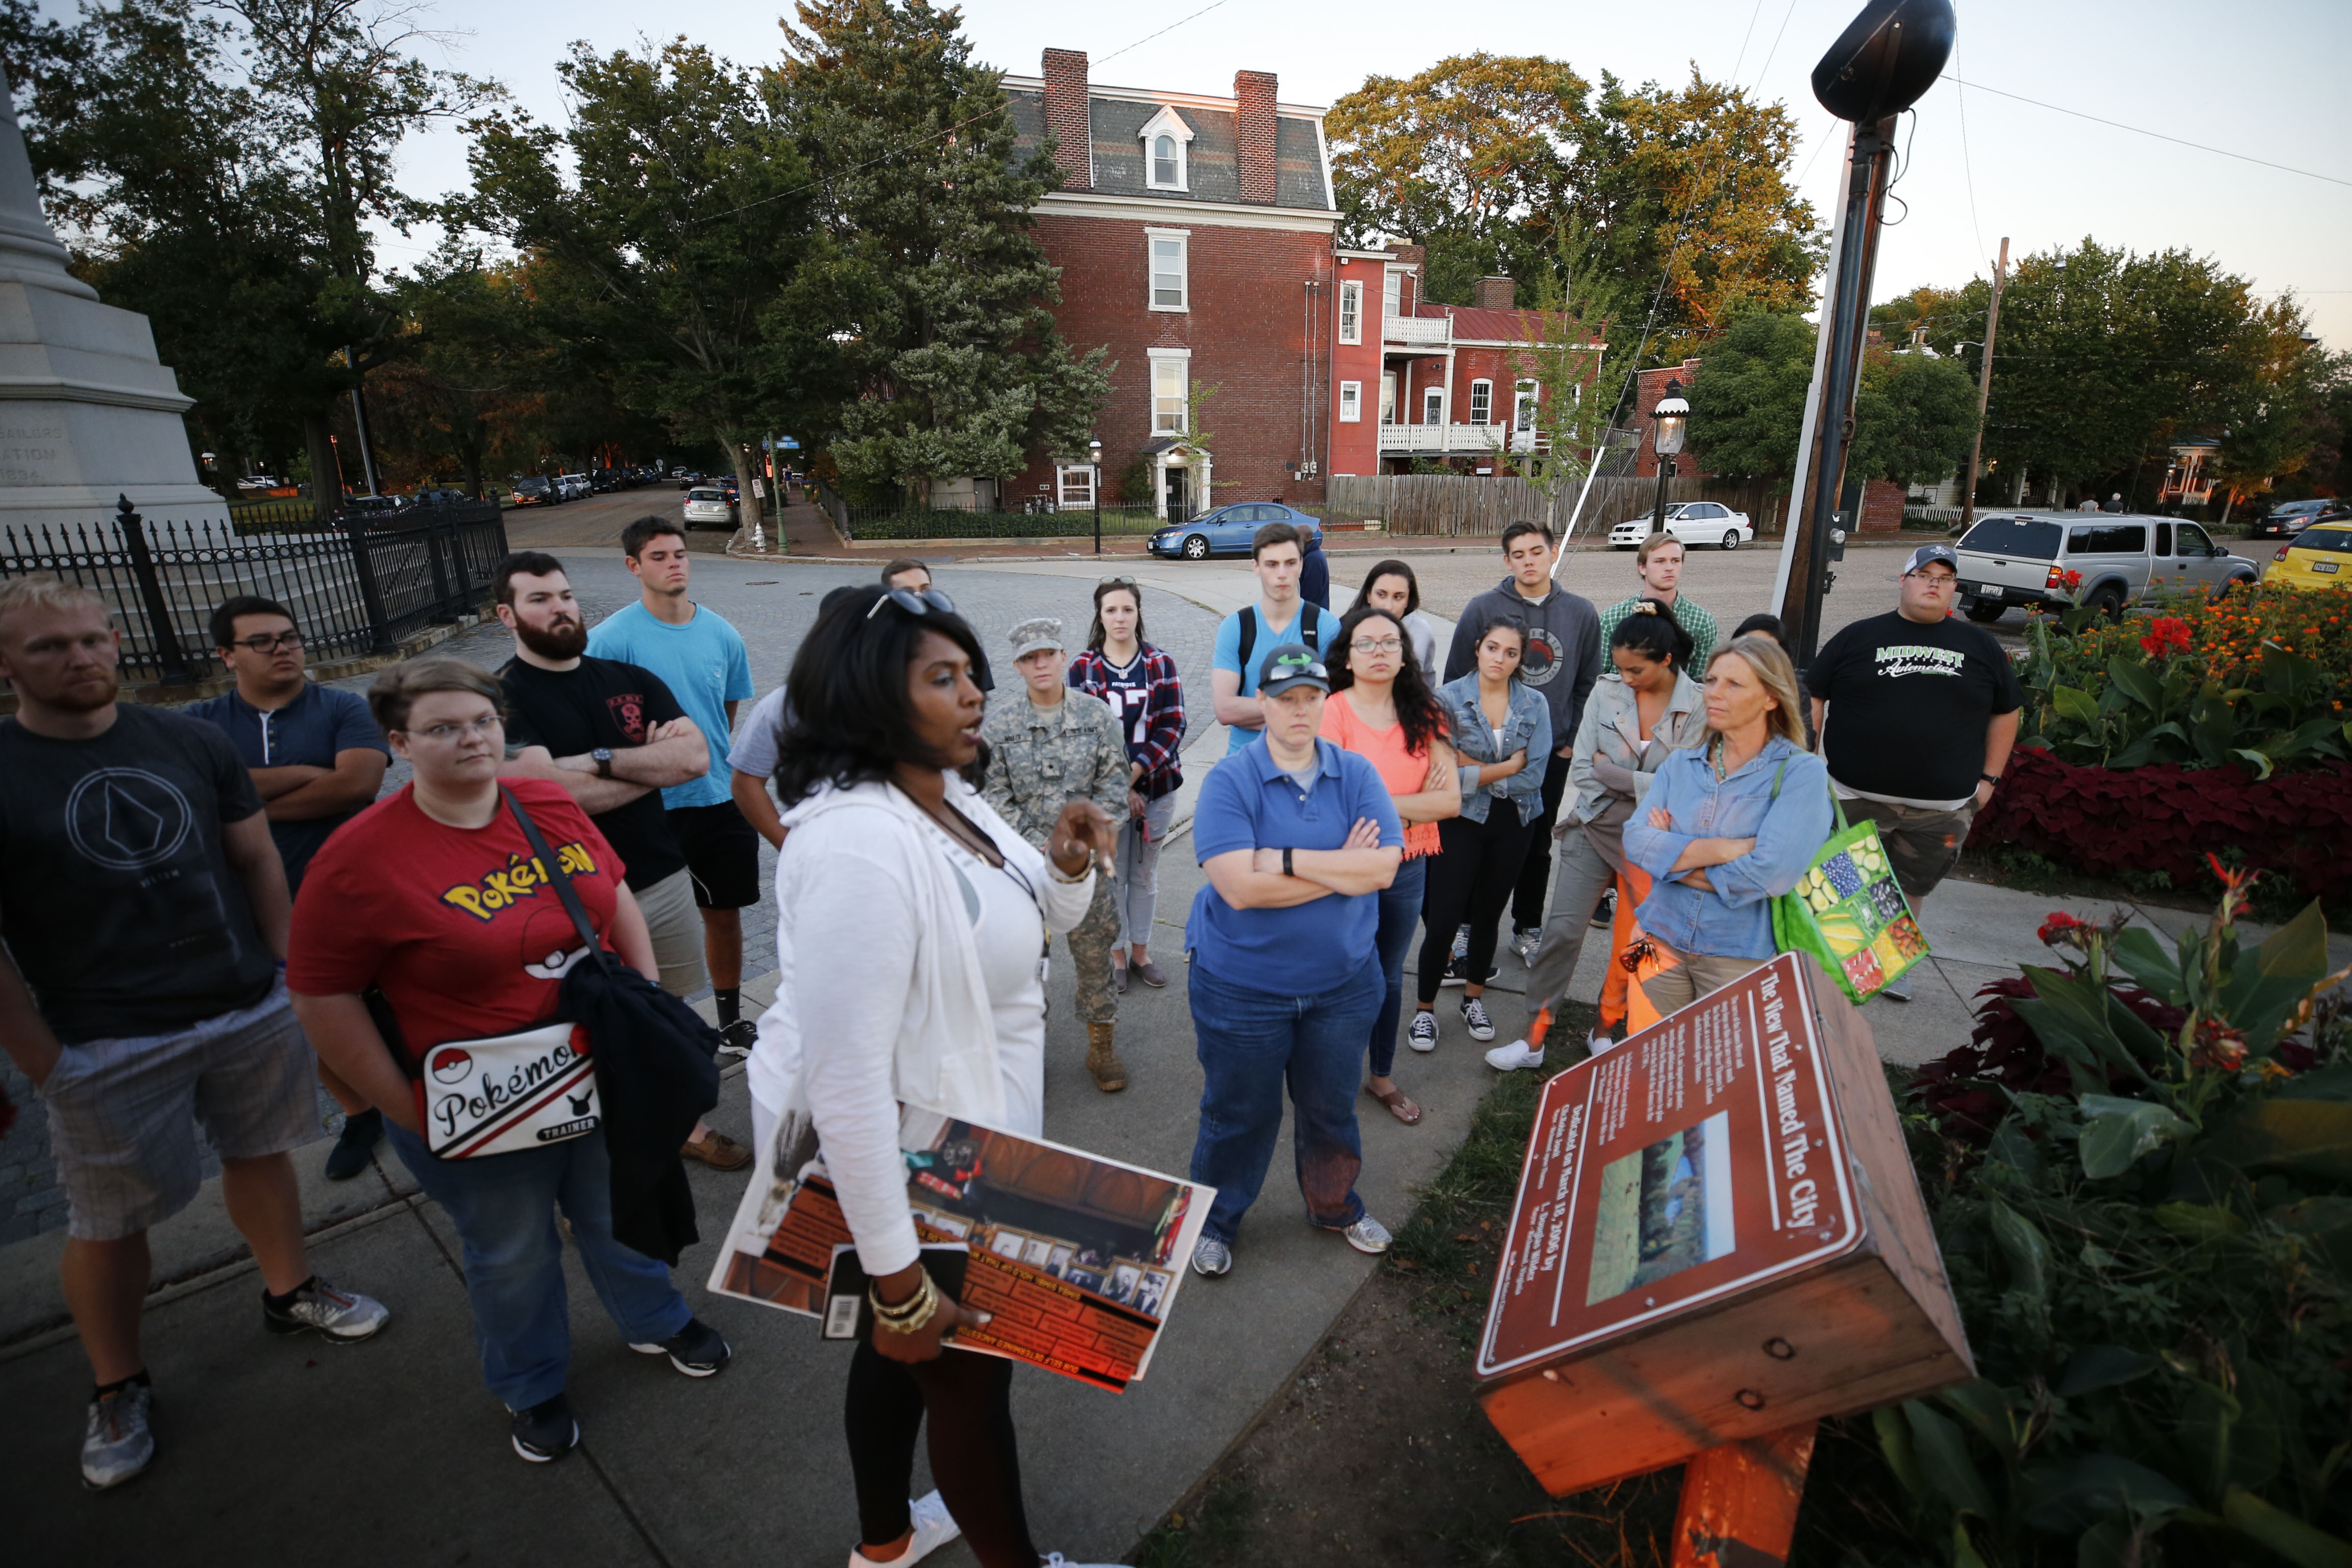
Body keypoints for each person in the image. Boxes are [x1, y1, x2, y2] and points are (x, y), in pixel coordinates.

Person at [745, 581, 1121, 1568]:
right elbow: (846, 1084)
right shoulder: (854, 843)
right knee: (965, 1379)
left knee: (892, 1360)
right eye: (943, 677)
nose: (974, 695)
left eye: (971, 674)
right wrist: (900, 1278)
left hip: (971, 1137)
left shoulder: (949, 797)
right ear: (869, 691)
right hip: (913, 1164)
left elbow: (1042, 925)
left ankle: (882, 1544)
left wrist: (1067, 864)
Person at [287, 659, 731, 1466]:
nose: (471, 739)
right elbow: (322, 995)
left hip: (592, 1068)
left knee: (615, 1207)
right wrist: (401, 1104)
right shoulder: (359, 859)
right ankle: (531, 1382)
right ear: (399, 743)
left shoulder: (544, 800)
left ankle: (654, 1320)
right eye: (442, 728)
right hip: (474, 1098)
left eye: (483, 722)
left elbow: (614, 894)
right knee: (513, 1250)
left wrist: (641, 998)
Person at [0, 575, 390, 1492]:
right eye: (53, 646)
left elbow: (253, 855)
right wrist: (41, 1059)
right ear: (7, 660)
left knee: (260, 1153)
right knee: (109, 1217)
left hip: (242, 1002)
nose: (84, 657)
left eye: (96, 638)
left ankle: (290, 1291)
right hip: (101, 1035)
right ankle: (116, 1382)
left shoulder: (186, 740)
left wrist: (286, 976)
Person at [489, 552, 749, 1171]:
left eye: (565, 596)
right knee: (588, 1025)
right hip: (567, 896)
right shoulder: (500, 698)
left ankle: (687, 1125)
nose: (560, 609)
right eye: (540, 600)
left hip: (658, 877)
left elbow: (691, 759)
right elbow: (542, 792)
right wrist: (639, 766)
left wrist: (588, 762)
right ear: (507, 615)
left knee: (669, 1010)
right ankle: (601, 1152)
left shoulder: (626, 681)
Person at [1185, 645, 1403, 1277]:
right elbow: (1238, 888)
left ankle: (1335, 1205)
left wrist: (1278, 857)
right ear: (1262, 704)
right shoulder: (1231, 781)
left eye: (1312, 697)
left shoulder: (1356, 773)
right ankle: (1216, 1221)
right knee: (1237, 1114)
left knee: (1331, 1107)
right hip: (1242, 989)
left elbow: (1384, 867)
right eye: (1286, 699)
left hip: (1342, 986)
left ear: (1325, 700)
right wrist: (1343, 869)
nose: (1300, 710)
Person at [185, 594, 391, 1180]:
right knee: (308, 1019)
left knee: (393, 1002)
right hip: (255, 907)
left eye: (290, 636)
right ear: (227, 655)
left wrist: (237, 807)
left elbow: (354, 786)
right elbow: (185, 793)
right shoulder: (200, 724)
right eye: (263, 641)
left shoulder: (343, 709)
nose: (284, 648)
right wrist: (303, 774)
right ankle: (361, 1112)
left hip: (357, 894)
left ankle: (423, 1096)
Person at [1487, 600, 1706, 1071]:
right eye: (1620, 667)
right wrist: (1645, 785)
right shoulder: (1607, 694)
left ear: (1667, 660)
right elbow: (1585, 771)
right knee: (1562, 932)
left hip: (1655, 842)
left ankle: (1606, 1027)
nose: (1626, 677)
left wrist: (1622, 778)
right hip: (1594, 825)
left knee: (1635, 946)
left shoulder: (1701, 705)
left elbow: (1689, 787)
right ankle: (1534, 1037)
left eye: (1637, 670)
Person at [1804, 543, 2022, 1000]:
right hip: (1854, 792)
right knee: (1846, 883)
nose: (1933, 584)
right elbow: (1815, 694)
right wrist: (1809, 760)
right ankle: (1839, 963)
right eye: (1924, 574)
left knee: (1908, 887)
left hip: (1941, 806)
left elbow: (2007, 711)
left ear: (1954, 589)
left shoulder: (1981, 646)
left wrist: (1989, 782)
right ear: (1904, 581)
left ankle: (1890, 963)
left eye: (1944, 578)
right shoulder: (1859, 636)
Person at [587, 518, 760, 1046]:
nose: (674, 564)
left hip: (718, 798)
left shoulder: (722, 634)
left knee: (723, 914)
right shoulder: (609, 641)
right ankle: (671, 1027)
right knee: (650, 925)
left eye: (680, 554)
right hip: (648, 810)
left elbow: (724, 714)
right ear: (634, 566)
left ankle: (729, 1020)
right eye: (659, 556)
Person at [1625, 635, 1834, 1013]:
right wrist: (1730, 850)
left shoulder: (1802, 773)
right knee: (1656, 1055)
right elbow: (1636, 843)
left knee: (1719, 1067)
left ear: (1772, 697)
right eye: (1711, 681)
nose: (1714, 694)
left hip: (1739, 959)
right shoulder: (1680, 764)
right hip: (1651, 940)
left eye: (1734, 684)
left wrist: (1672, 855)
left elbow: (1771, 875)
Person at [979, 617, 1133, 1093]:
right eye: (1030, 658)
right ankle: (1026, 1052)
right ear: (1017, 667)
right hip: (1022, 873)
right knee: (1022, 968)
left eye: (1048, 654)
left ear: (1065, 658)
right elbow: (991, 796)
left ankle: (1101, 1046)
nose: (1040, 664)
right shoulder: (1000, 726)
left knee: (1094, 960)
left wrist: (1081, 844)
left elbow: (1114, 784)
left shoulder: (1096, 717)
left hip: (1087, 870)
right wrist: (1036, 846)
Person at [1442, 520, 1602, 971]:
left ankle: (1527, 928)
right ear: (1506, 560)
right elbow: (1456, 679)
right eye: (1519, 554)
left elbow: (1587, 682)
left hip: (1546, 755)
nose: (1529, 561)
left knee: (1535, 842)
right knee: (1476, 839)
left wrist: (1569, 742)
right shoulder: (1483, 608)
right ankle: (1468, 926)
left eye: (1537, 551)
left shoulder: (1581, 613)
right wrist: (1461, 749)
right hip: (1482, 753)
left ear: (1553, 553)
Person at [1321, 604, 1458, 1124]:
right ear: (1349, 657)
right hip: (1348, 863)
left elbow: (1448, 805)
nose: (1379, 652)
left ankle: (1380, 1074)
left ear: (1405, 656)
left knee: (1386, 973)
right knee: (1340, 969)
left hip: (1407, 863)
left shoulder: (1427, 713)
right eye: (1367, 643)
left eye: (1389, 643)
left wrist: (1374, 799)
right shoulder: (1331, 711)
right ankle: (1329, 1070)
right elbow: (1333, 802)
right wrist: (1406, 799)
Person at [1413, 616, 1550, 1053]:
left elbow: (1536, 776)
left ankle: (1473, 999)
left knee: (1490, 915)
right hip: (1460, 820)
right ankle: (1425, 1009)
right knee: (1444, 918)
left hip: (1515, 823)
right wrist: (1508, 766)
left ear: (1519, 658)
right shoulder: (1447, 698)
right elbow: (1442, 772)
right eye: (1493, 648)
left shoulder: (1535, 704)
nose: (1500, 659)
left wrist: (1475, 767)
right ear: (1478, 648)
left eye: (1511, 653)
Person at [1065, 577, 1186, 991]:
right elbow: (1080, 735)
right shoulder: (1083, 668)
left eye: (1127, 609)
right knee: (1111, 874)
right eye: (1111, 610)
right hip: (1105, 796)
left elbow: (1173, 726)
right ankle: (1116, 954)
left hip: (1157, 788)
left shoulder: (1160, 664)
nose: (1120, 617)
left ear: (1139, 614)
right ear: (1100, 616)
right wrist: (1117, 786)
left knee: (1144, 875)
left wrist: (1134, 777)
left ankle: (1141, 952)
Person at [729, 584, 864, 850]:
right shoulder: (785, 705)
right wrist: (790, 846)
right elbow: (745, 782)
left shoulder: (906, 697)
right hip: (825, 860)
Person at [1210, 521, 1342, 755]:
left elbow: (1335, 712)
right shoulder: (1236, 628)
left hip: (1307, 765)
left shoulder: (1325, 626)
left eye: (1290, 563)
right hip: (1246, 765)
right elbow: (1225, 709)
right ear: (1256, 566)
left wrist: (1254, 712)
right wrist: (1301, 713)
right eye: (1272, 564)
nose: (1282, 574)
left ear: (1302, 565)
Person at [1596, 533, 1718, 670]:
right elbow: (1597, 678)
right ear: (1642, 567)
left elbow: (1703, 683)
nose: (1669, 568)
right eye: (1660, 561)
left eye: (1676, 561)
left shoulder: (1702, 621)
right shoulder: (1611, 620)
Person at [884, 559, 991, 691]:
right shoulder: (880, 648)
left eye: (925, 589)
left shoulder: (962, 642)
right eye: (907, 592)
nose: (919, 597)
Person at [1356, 559, 1443, 676]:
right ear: (1369, 595)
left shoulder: (1421, 631)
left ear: (1408, 600)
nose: (1388, 606)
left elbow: (1427, 681)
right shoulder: (1348, 629)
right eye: (1381, 595)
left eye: (1398, 597)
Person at [1298, 523, 1331, 611]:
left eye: (1297, 537)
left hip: (1315, 615)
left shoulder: (1313, 559)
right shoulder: (1310, 556)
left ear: (1308, 538)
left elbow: (1311, 593)